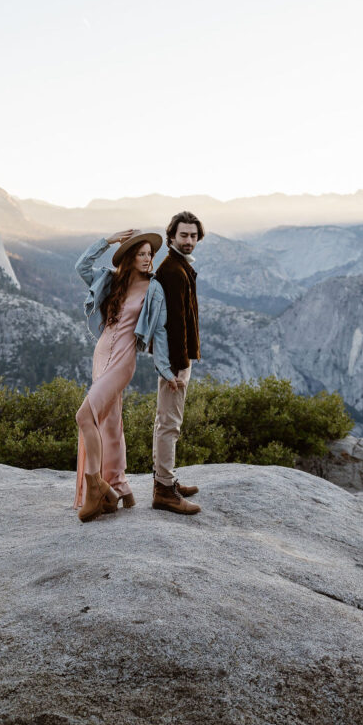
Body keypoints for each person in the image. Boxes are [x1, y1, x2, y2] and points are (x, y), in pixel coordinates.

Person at [73, 229, 183, 523]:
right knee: (108, 423)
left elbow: (159, 333)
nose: (148, 259)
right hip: (101, 354)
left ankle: (96, 486)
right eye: (142, 254)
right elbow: (81, 266)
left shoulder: (154, 290)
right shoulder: (111, 280)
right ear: (130, 257)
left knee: (85, 417)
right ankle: (119, 489)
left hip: (123, 360)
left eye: (150, 254)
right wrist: (108, 240)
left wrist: (166, 370)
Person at [151, 210, 205, 515]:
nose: (189, 241)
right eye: (183, 235)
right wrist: (178, 368)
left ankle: (166, 479)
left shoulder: (179, 266)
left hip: (178, 358)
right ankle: (164, 491)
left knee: (166, 422)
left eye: (194, 236)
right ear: (171, 236)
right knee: (170, 424)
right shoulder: (172, 271)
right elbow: (173, 325)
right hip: (175, 361)